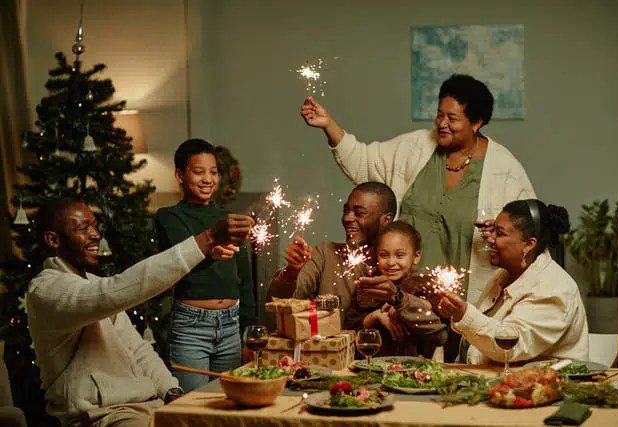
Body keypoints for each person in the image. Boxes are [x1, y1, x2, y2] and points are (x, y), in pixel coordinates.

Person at [301, 74, 536, 360]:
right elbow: (365, 162)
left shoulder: (506, 170)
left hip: (466, 305)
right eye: (439, 115)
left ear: (477, 123)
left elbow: (527, 235)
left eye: (453, 118)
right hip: (406, 300)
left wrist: (500, 233)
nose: (441, 124)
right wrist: (329, 125)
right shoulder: (416, 147)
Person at [26, 198, 253, 426]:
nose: (95, 234)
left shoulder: (92, 283)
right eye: (83, 228)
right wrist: (207, 239)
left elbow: (138, 349)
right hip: (104, 416)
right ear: (53, 239)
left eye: (95, 226)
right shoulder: (46, 290)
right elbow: (114, 291)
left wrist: (171, 391)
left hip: (150, 405)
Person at [155, 139, 257, 392]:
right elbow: (181, 256)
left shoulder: (227, 218)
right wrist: (211, 249)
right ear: (180, 175)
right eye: (198, 172)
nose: (208, 179)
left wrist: (248, 333)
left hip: (231, 326)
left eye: (213, 172)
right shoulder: (169, 217)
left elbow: (244, 279)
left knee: (228, 405)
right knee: (193, 407)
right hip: (191, 329)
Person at [437, 199, 589, 364]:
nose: (490, 238)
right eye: (492, 230)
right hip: (490, 382)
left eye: (500, 233)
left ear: (529, 244)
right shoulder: (502, 277)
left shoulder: (554, 288)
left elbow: (510, 346)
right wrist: (457, 314)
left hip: (545, 386)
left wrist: (464, 314)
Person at [268, 182, 396, 317]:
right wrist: (292, 272)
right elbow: (279, 303)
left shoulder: (397, 265)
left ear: (386, 220)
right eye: (346, 211)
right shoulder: (325, 254)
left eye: (359, 213)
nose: (348, 218)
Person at [345, 221, 447, 357]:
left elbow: (440, 326)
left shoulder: (426, 285)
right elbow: (349, 328)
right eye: (384, 255)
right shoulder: (368, 286)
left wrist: (409, 305)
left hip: (416, 365)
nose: (391, 262)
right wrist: (376, 316)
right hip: (371, 363)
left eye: (399, 255)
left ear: (416, 257)